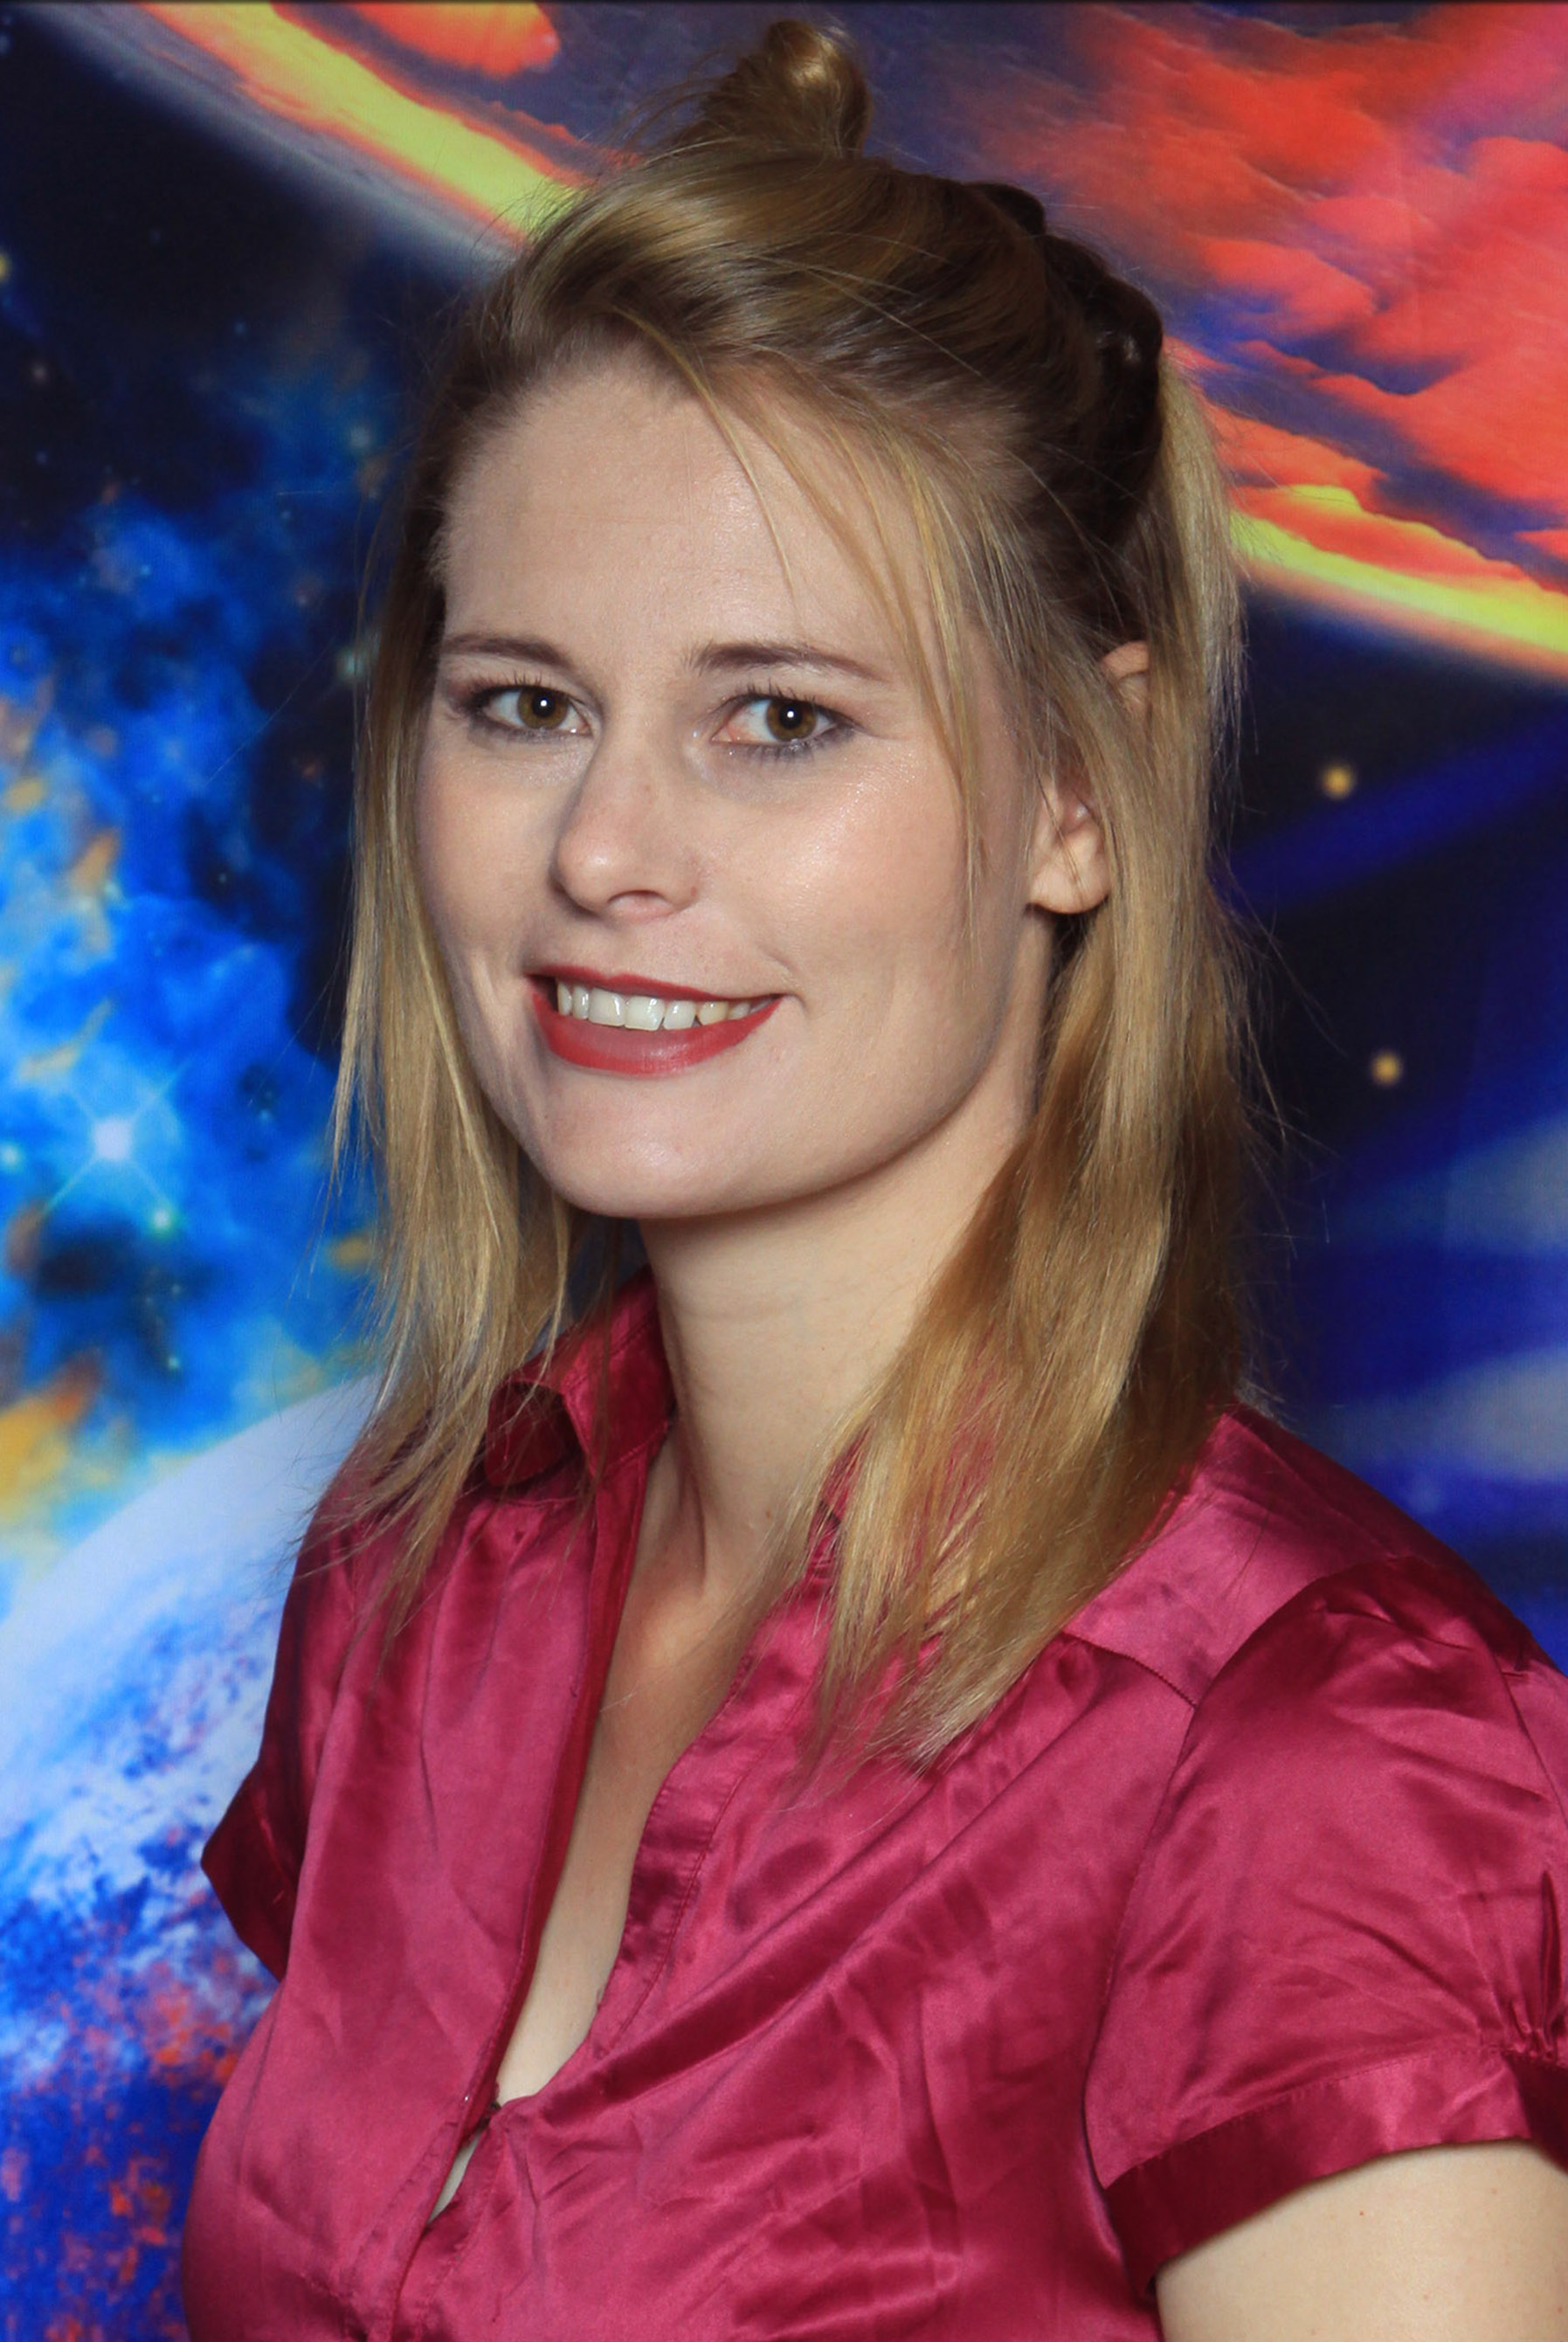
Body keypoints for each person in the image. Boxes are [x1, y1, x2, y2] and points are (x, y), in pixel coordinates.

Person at [181, 22, 1568, 2339]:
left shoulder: (1314, 1748)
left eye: (782, 719)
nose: (604, 849)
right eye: (524, 702)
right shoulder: (414, 1578)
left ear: (1078, 798)